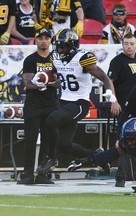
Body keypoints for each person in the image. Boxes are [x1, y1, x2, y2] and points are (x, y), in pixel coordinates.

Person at [35, 28, 116, 173]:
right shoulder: (56, 57)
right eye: (58, 46)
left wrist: (110, 93)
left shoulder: (82, 58)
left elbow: (104, 77)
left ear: (72, 46)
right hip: (64, 102)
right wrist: (43, 77)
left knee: (51, 120)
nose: (60, 49)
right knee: (64, 145)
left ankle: (51, 158)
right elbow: (55, 74)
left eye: (63, 46)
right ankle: (98, 157)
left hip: (79, 103)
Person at [17, 27, 61, 184]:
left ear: (50, 40)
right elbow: (28, 84)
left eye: (46, 38)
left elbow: (59, 82)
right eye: (40, 38)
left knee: (47, 141)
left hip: (51, 104)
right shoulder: (30, 59)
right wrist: (39, 83)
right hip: (33, 105)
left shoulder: (56, 59)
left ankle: (43, 174)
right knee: (30, 139)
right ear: (35, 40)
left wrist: (46, 82)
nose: (44, 41)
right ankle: (27, 174)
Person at [106, 33, 136, 187]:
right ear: (122, 45)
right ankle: (120, 176)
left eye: (131, 43)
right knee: (124, 141)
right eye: (126, 43)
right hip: (124, 107)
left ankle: (135, 174)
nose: (129, 46)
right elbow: (110, 82)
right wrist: (114, 101)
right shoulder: (117, 61)